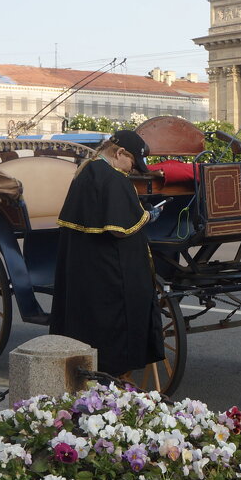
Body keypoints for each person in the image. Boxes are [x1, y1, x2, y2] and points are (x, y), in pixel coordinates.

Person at [49, 131, 164, 378]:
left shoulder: (87, 170)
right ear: (119, 153)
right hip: (110, 272)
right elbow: (120, 229)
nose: (132, 169)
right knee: (115, 322)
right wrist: (148, 216)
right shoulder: (112, 178)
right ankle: (115, 374)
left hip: (86, 270)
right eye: (132, 163)